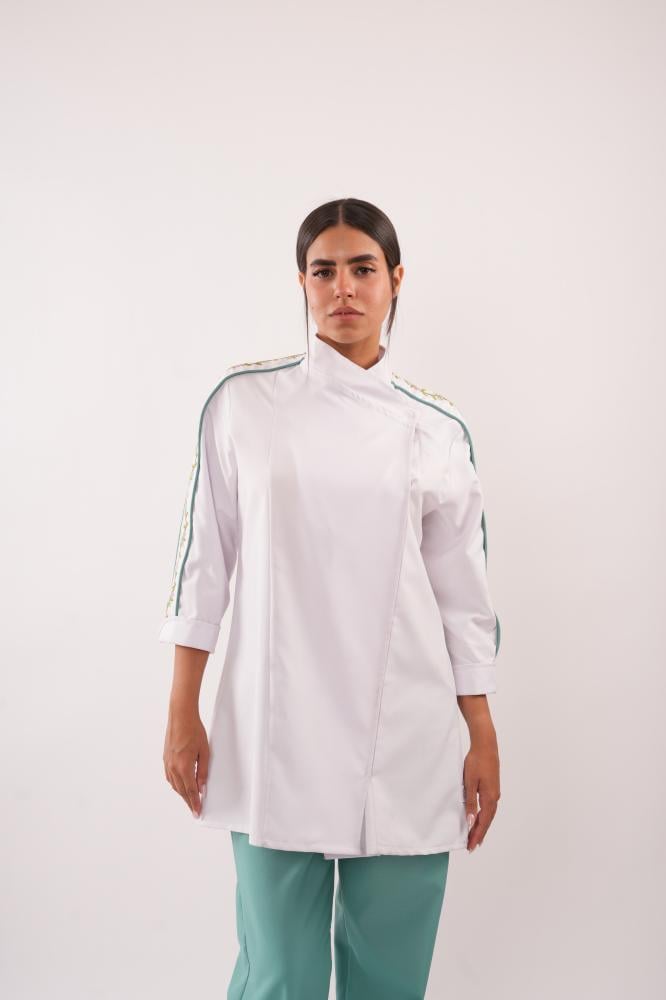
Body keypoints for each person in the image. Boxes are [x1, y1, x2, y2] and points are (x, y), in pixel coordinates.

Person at [159, 197, 502, 999]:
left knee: (391, 976)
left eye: (362, 268)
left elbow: (464, 599)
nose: (343, 287)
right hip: (273, 723)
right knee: (280, 972)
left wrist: (481, 733)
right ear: (302, 282)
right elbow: (203, 564)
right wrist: (183, 709)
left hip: (405, 730)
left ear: (395, 280)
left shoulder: (437, 428)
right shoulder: (243, 405)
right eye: (324, 270)